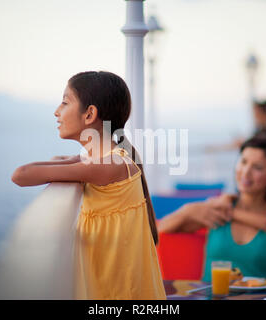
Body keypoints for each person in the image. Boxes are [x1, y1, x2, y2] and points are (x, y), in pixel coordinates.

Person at [11, 71, 166, 299]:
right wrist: (73, 161)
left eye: (65, 102)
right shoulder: (102, 159)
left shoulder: (110, 165)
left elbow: (21, 174)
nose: (57, 111)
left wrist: (72, 163)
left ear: (90, 113)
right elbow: (55, 163)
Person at [158, 134, 266, 281]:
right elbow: (160, 229)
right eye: (243, 162)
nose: (246, 172)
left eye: (257, 167)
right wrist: (189, 210)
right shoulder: (219, 208)